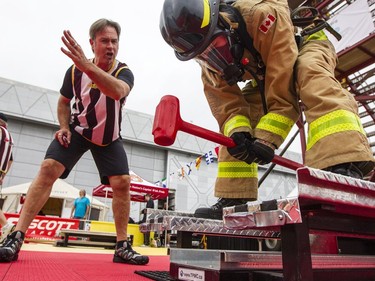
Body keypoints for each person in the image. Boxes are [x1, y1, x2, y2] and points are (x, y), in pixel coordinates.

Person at [159, 0, 375, 220]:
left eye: (219, 46)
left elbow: (282, 93)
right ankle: (234, 196)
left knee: (311, 76)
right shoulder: (208, 64)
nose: (216, 59)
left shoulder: (263, 16)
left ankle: (342, 164)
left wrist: (267, 139)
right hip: (263, 66)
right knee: (239, 128)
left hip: (305, 43)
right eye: (204, 56)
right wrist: (239, 135)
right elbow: (228, 109)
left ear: (224, 25)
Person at [0, 18, 149, 265]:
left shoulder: (124, 71)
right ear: (92, 43)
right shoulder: (73, 71)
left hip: (109, 137)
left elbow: (117, 92)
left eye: (114, 41)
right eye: (104, 41)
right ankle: (16, 236)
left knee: (122, 182)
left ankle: (122, 246)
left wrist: (87, 67)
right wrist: (63, 126)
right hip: (78, 130)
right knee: (48, 168)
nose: (110, 46)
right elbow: (62, 102)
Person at [0, 113, 16, 243]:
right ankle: (6, 225)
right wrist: (2, 175)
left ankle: (6, 225)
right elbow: (10, 160)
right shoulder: (9, 137)